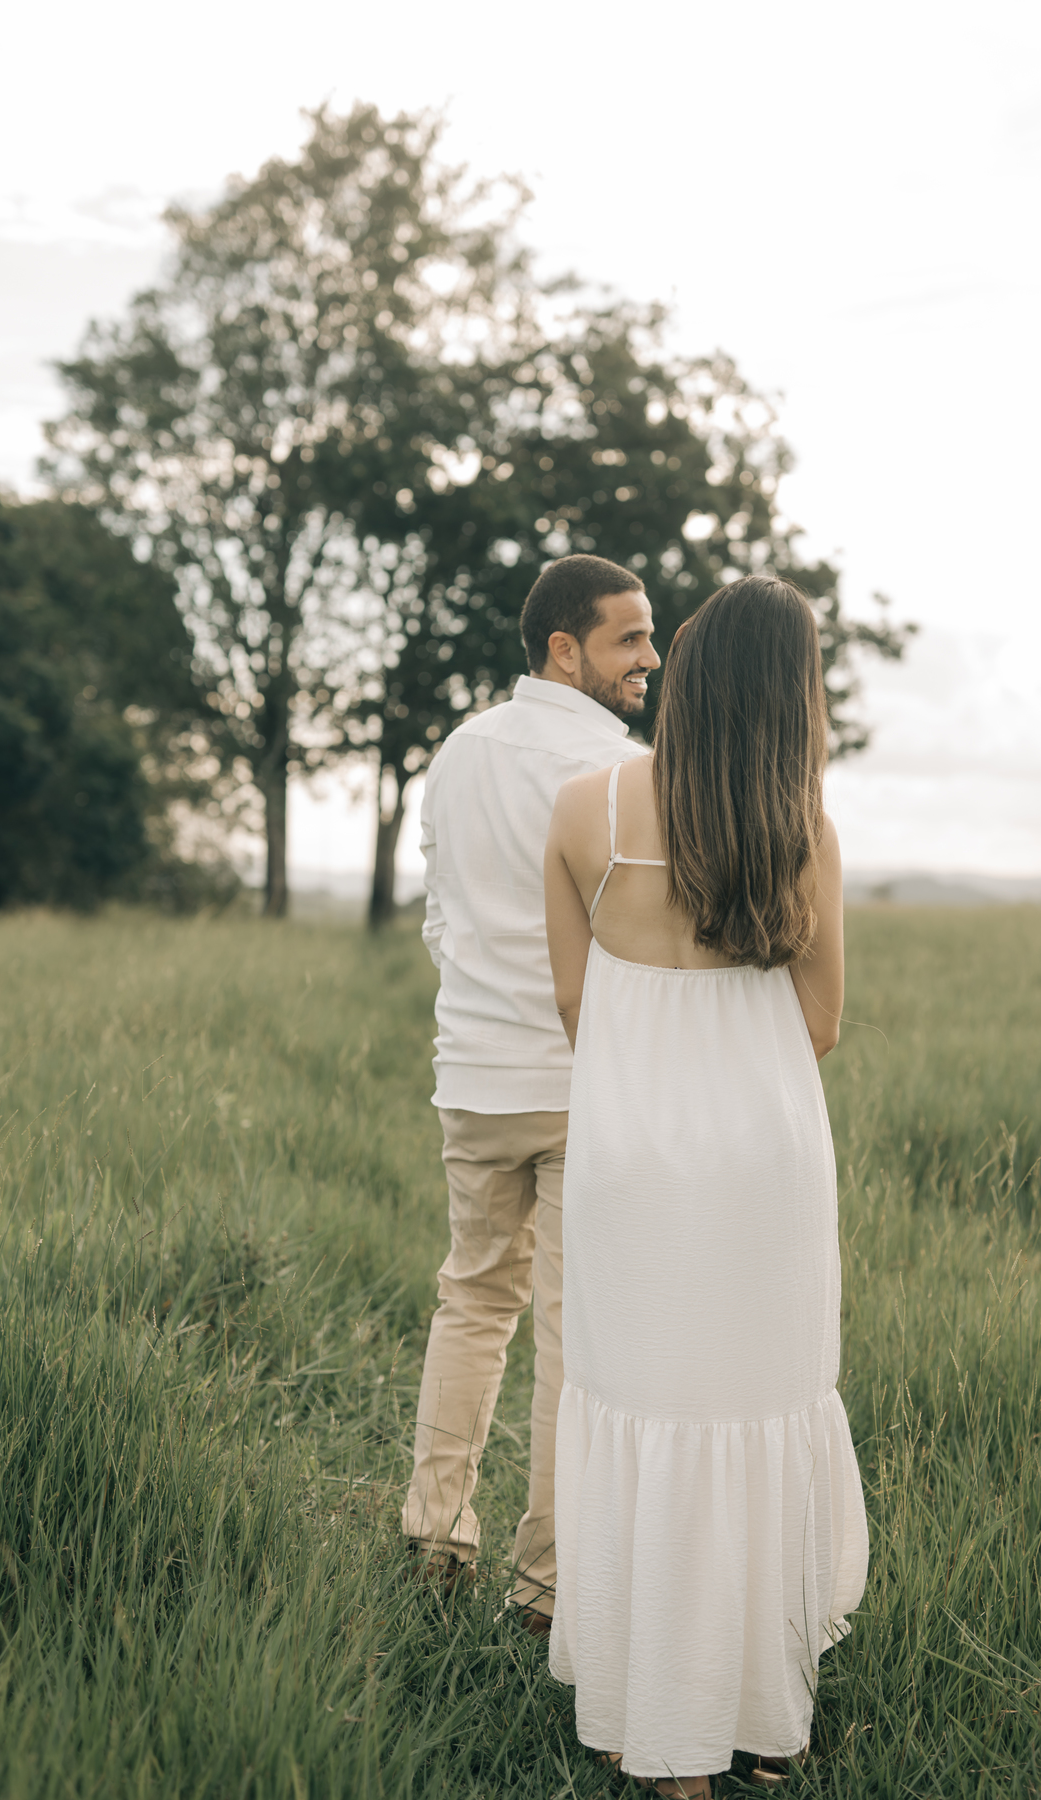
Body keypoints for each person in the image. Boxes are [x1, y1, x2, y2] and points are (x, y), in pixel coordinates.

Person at [543, 576, 869, 1794]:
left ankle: (646, 1722)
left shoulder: (583, 809)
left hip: (628, 1163)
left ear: (686, 670)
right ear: (793, 698)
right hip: (764, 1165)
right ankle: (757, 1721)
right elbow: (819, 1024)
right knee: (759, 1411)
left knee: (638, 1407)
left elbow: (575, 1005)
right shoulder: (803, 831)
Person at [402, 553, 661, 1631]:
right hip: (577, 1082)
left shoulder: (458, 752)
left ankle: (434, 1538)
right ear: (564, 648)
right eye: (629, 638)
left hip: (471, 1074)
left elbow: (439, 916)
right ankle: (544, 1586)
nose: (651, 657)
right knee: (567, 1335)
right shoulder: (629, 773)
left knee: (470, 1299)